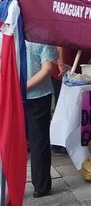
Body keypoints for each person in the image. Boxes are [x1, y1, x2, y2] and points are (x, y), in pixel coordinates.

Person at [24, 41, 58, 197]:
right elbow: (48, 69)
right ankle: (41, 186)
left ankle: (9, 186)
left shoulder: (5, 33)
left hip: (12, 95)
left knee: (11, 142)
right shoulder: (42, 36)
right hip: (38, 95)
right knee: (39, 141)